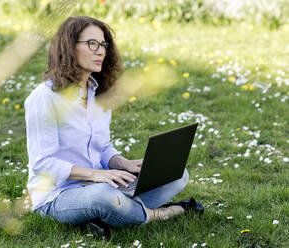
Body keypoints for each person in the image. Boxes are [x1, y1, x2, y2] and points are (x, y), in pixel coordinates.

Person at [24, 16, 203, 228]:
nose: (100, 51)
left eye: (103, 45)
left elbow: (103, 147)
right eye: (92, 44)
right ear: (69, 47)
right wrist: (96, 175)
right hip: (57, 195)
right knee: (103, 197)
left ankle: (107, 214)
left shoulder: (97, 93)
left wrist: (125, 164)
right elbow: (43, 163)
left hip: (104, 183)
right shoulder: (44, 98)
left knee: (176, 174)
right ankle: (161, 213)